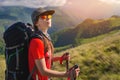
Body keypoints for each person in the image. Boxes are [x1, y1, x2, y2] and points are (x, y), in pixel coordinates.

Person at [28, 7, 80, 80]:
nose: (48, 18)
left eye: (49, 16)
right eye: (43, 17)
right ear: (36, 23)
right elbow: (43, 71)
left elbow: (46, 58)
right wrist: (67, 74)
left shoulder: (46, 38)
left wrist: (60, 58)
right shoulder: (36, 41)